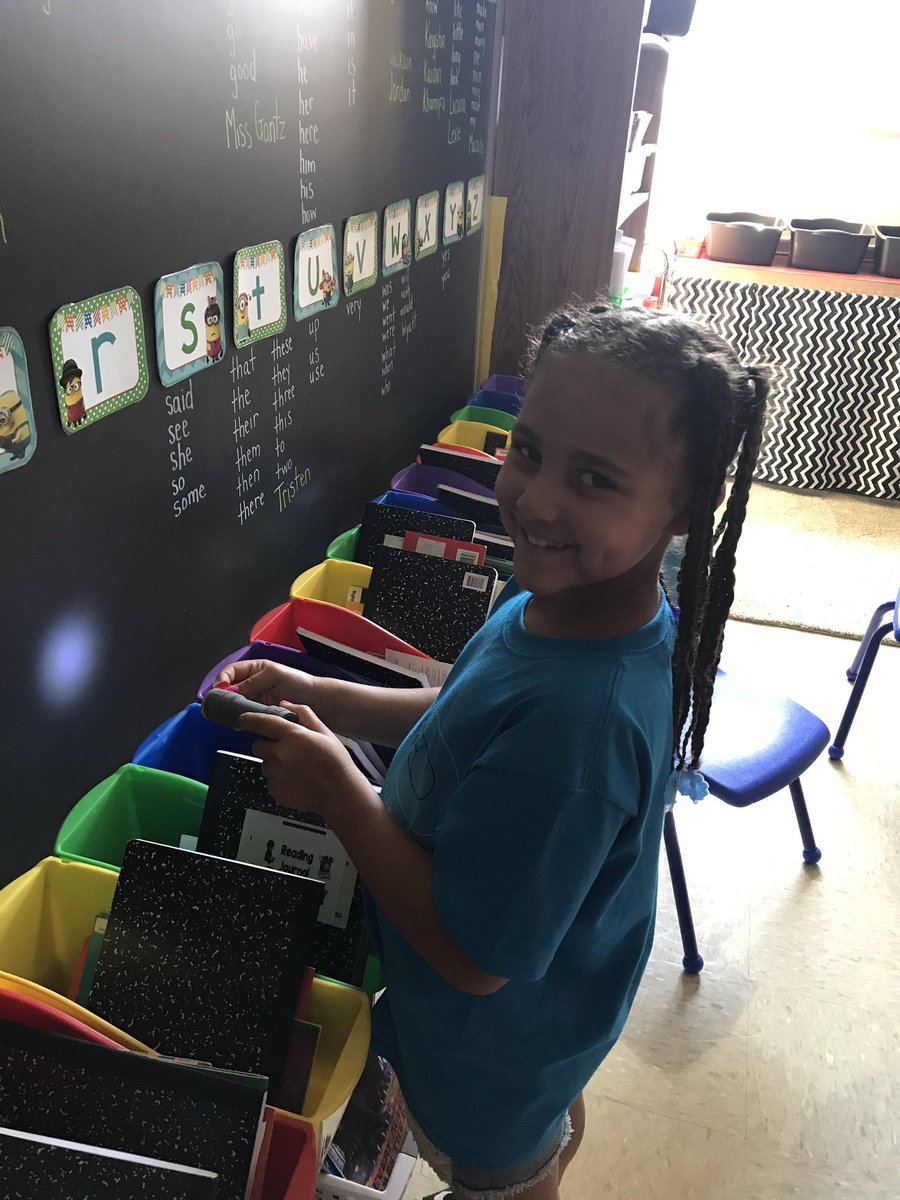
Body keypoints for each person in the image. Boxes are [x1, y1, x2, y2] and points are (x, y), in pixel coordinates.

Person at [221, 302, 767, 1200]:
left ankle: (536, 1156)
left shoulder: (576, 730)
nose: (539, 500)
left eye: (595, 480)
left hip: (489, 1069)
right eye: (531, 451)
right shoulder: (562, 604)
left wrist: (337, 793)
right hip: (538, 1023)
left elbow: (476, 961)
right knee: (540, 1127)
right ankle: (552, 1128)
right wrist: (324, 695)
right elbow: (457, 707)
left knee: (507, 1178)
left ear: (686, 504)